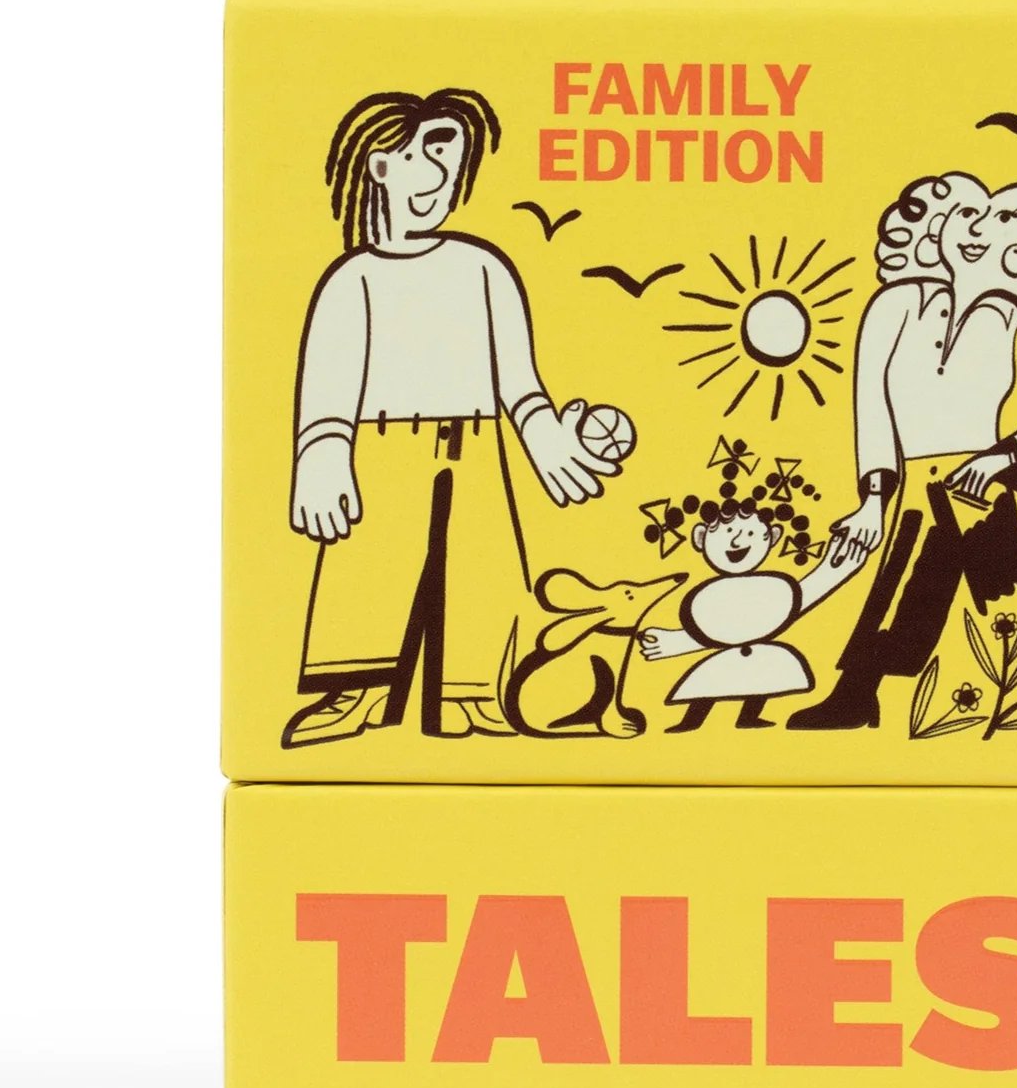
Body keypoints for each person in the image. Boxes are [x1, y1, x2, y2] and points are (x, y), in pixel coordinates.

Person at [283, 88, 619, 747]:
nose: (438, 176)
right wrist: (320, 455)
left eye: (450, 159)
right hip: (384, 445)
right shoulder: (352, 280)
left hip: (477, 443)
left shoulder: (483, 267)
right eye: (420, 156)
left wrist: (546, 439)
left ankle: (471, 690)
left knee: (481, 564)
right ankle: (357, 688)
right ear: (380, 166)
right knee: (369, 561)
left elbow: (519, 381)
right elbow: (327, 383)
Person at [788, 173, 1017, 731]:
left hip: (981, 487)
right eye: (962, 220)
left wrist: (998, 460)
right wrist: (873, 499)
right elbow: (871, 405)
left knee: (1003, 602)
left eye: (987, 225)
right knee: (897, 590)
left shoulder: (1012, 317)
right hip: (915, 484)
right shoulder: (894, 305)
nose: (974, 236)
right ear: (933, 229)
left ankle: (1015, 713)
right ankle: (859, 694)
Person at [639, 497, 864, 731]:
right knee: (710, 684)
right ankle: (691, 722)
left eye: (750, 534)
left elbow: (795, 602)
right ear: (700, 538)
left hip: (758, 654)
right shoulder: (711, 596)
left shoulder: (771, 587)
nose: (737, 541)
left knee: (762, 680)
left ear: (773, 537)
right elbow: (715, 631)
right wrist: (675, 641)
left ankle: (748, 717)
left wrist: (832, 571)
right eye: (727, 532)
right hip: (728, 659)